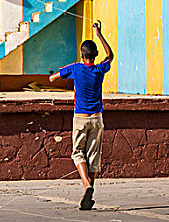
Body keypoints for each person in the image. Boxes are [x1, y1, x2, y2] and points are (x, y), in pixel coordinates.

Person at [49, 20, 113, 210]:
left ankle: (87, 186)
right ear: (95, 56)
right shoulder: (100, 69)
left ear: (82, 55)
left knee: (78, 153)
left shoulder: (76, 68)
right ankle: (89, 193)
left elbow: (52, 78)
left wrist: (57, 74)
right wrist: (99, 33)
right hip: (97, 119)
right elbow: (110, 55)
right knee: (93, 157)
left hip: (80, 118)